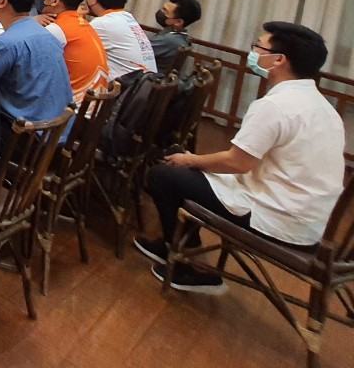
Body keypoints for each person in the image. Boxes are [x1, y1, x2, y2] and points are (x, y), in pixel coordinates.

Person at [137, 22, 345, 294]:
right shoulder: (323, 107)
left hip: (277, 217)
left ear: (279, 60)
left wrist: (189, 160)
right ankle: (173, 246)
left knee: (164, 175)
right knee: (186, 168)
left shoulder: (275, 105)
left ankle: (192, 267)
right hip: (308, 222)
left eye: (258, 47)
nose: (253, 53)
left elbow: (237, 163)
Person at [0, 0, 73, 128]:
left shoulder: (6, 43)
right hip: (55, 129)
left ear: (2, 2)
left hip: (25, 132)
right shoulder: (46, 35)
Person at [37, 0, 110, 102]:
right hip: (92, 105)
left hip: (73, 109)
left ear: (54, 1)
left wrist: (31, 22)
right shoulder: (81, 23)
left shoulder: (57, 30)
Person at [86, 0, 156, 79]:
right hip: (145, 83)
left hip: (126, 85)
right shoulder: (127, 17)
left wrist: (76, 17)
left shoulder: (102, 24)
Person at [149, 0, 202, 74]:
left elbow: (135, 53)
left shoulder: (168, 40)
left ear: (178, 22)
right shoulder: (182, 37)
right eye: (162, 8)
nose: (160, 12)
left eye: (165, 12)